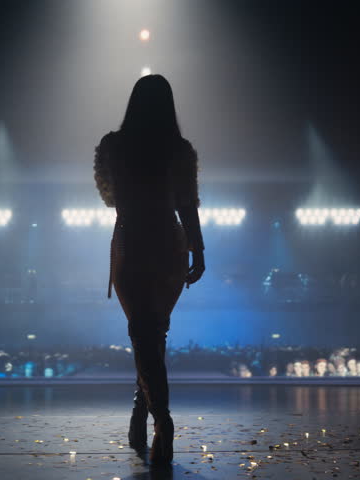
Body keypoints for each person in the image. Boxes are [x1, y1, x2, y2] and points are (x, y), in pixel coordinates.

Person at [93, 74, 205, 464]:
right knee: (152, 330)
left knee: (144, 331)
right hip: (169, 243)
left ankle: (161, 420)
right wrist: (198, 249)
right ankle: (144, 413)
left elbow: (108, 196)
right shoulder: (179, 149)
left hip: (133, 241)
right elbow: (188, 203)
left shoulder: (113, 147)